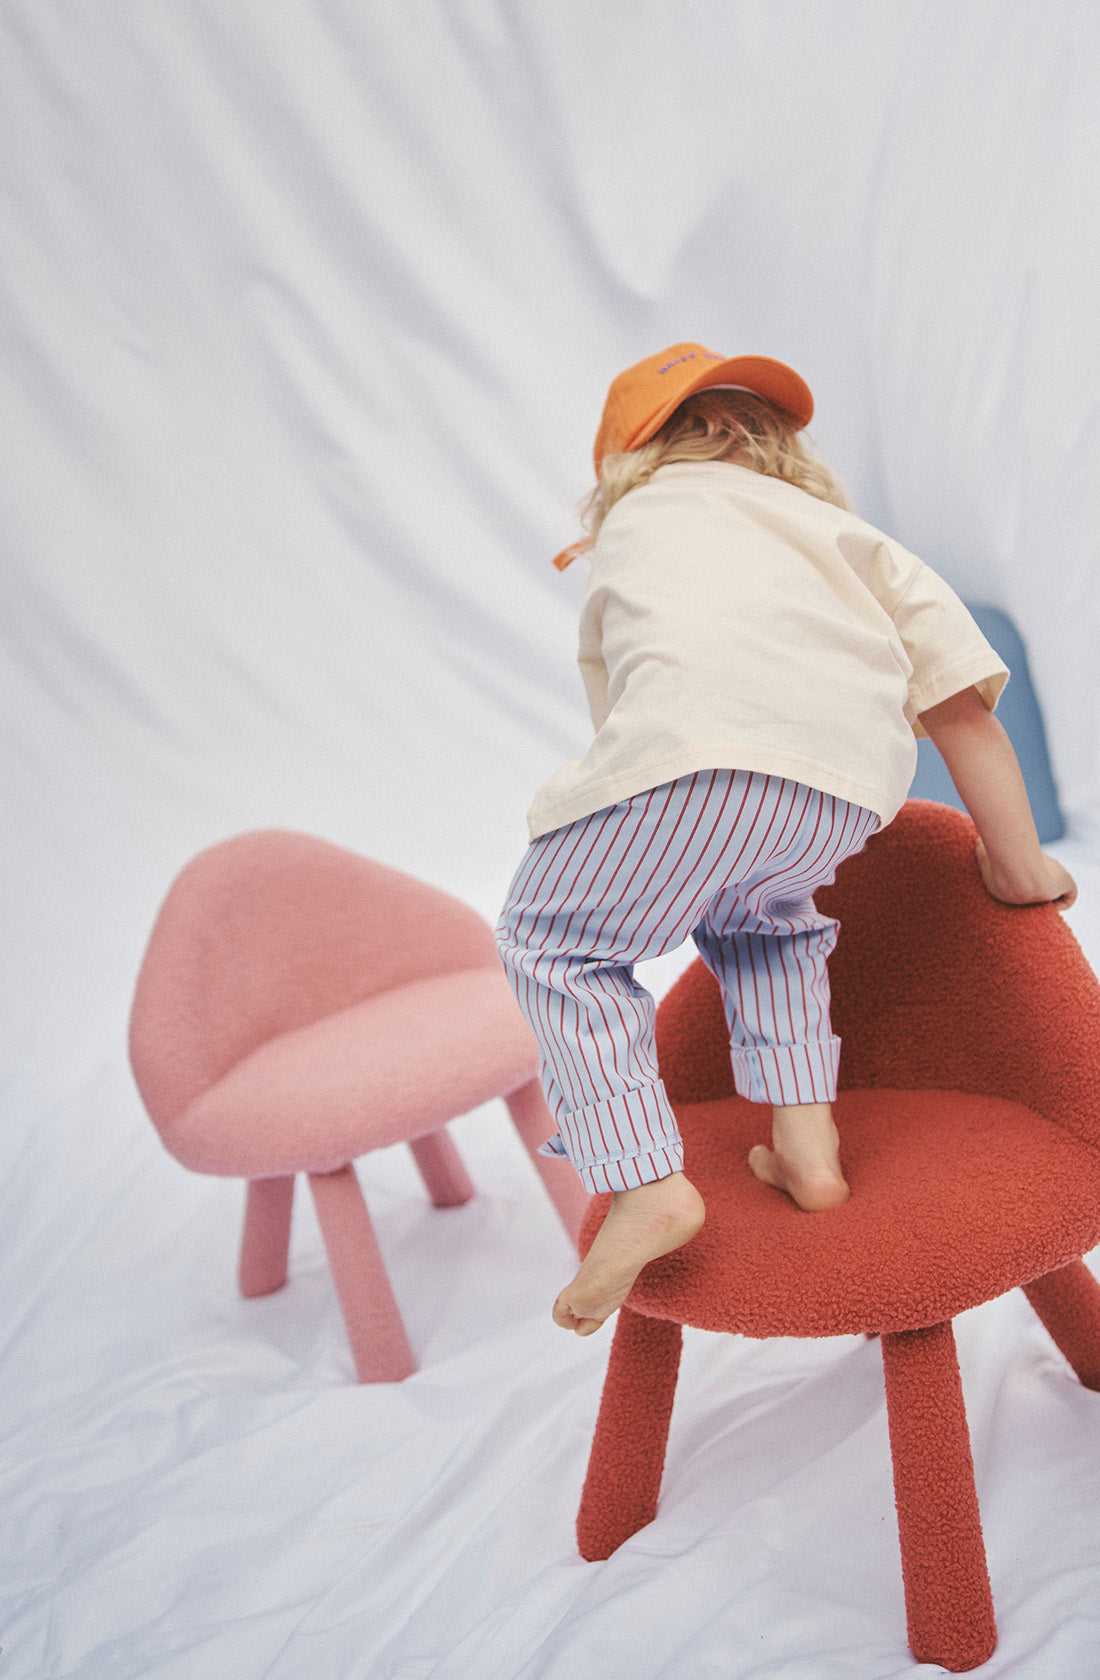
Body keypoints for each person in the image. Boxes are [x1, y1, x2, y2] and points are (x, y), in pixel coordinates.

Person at [495, 341, 1077, 1338]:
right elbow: (959, 711)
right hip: (840, 796)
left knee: (554, 945)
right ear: (775, 448)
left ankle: (643, 1182)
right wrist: (1018, 867)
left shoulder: (635, 521)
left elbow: (628, 716)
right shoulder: (851, 538)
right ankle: (807, 1152)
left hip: (686, 761)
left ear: (627, 460)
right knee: (769, 930)